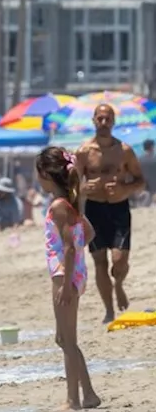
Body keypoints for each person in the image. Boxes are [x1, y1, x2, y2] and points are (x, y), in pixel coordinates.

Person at [36, 146, 101, 410]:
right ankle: (89, 394)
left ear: (47, 175)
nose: (38, 181)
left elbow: (72, 247)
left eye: (38, 175)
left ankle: (73, 399)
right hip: (71, 274)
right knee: (63, 339)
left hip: (64, 275)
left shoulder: (59, 206)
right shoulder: (71, 206)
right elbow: (89, 234)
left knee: (68, 340)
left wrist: (66, 284)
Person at [76, 104, 146, 324]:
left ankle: (119, 284)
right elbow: (72, 185)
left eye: (107, 119)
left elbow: (140, 181)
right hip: (94, 210)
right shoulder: (84, 152)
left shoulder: (124, 151)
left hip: (119, 209)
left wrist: (124, 189)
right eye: (100, 119)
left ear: (114, 122)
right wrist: (83, 190)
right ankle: (108, 310)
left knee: (119, 261)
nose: (103, 123)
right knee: (99, 263)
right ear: (94, 121)